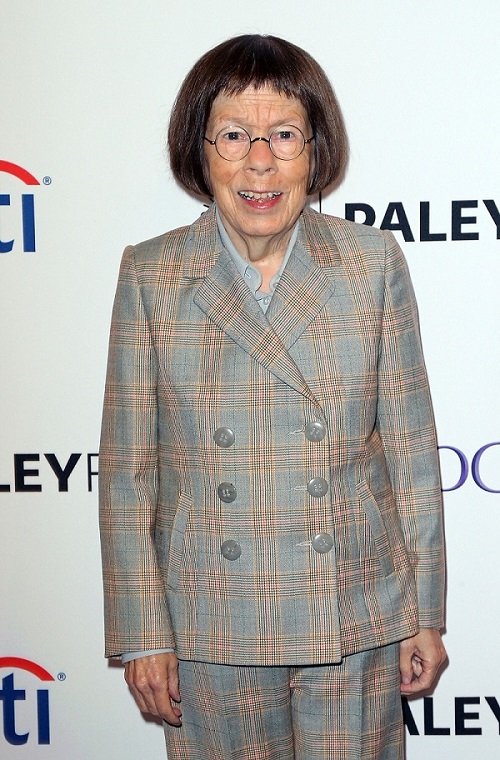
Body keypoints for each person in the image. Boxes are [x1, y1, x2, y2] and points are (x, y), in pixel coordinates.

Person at [99, 34, 447, 759]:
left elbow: (412, 454)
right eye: (234, 135)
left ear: (315, 150)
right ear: (200, 150)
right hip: (211, 631)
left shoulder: (370, 263)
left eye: (284, 135)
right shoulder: (153, 275)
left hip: (353, 620)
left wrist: (425, 612)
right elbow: (130, 476)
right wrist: (143, 632)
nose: (260, 162)